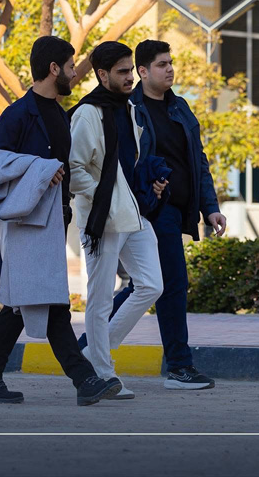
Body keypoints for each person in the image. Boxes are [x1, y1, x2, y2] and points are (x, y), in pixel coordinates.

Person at [0, 35, 119, 407]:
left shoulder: (59, 114)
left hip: (53, 223)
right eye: (70, 66)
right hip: (25, 227)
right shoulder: (18, 115)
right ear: (54, 69)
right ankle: (85, 380)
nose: (74, 73)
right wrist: (39, 170)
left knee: (23, 303)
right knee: (51, 301)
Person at [81, 39, 225, 390]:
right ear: (144, 71)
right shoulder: (129, 108)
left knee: (147, 285)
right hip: (151, 208)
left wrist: (210, 207)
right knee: (171, 283)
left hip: (175, 209)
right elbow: (124, 162)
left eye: (170, 62)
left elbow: (198, 161)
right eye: (162, 64)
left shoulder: (180, 108)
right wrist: (141, 188)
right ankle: (178, 367)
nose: (170, 69)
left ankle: (86, 348)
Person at [69, 41, 164, 399]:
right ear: (102, 74)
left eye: (130, 70)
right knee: (100, 299)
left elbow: (129, 162)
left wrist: (147, 183)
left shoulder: (129, 108)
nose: (129, 77)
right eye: (122, 72)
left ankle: (95, 352)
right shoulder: (88, 113)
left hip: (132, 212)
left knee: (151, 285)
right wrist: (103, 197)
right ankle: (103, 373)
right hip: (102, 218)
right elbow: (74, 168)